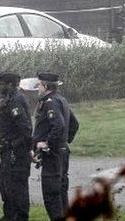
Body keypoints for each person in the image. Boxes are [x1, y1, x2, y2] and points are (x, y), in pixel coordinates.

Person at [32, 72, 79, 221]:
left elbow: (58, 125)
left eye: (39, 84)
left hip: (53, 155)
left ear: (45, 86)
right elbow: (74, 124)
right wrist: (65, 141)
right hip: (62, 152)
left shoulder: (50, 102)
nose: (38, 87)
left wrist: (47, 143)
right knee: (61, 192)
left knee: (51, 195)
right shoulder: (62, 100)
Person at [0, 71, 32, 221]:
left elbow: (25, 130)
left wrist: (15, 146)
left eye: (2, 84)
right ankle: (9, 215)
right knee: (4, 183)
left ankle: (19, 216)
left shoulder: (16, 101)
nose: (0, 87)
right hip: (8, 151)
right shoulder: (7, 99)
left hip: (16, 153)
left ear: (11, 85)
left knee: (16, 187)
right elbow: (1, 122)